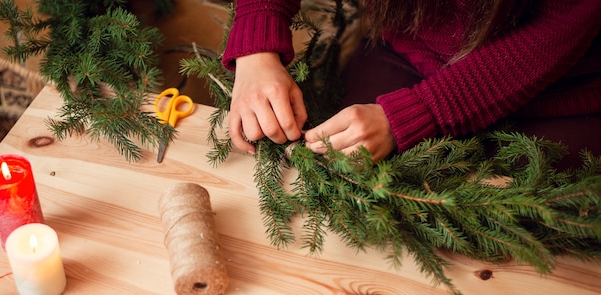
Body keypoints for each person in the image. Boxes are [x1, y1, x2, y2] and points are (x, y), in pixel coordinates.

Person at [221, 0, 601, 169]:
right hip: (408, 51)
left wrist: (418, 113)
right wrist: (258, 44)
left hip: (555, 90)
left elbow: (554, 32)